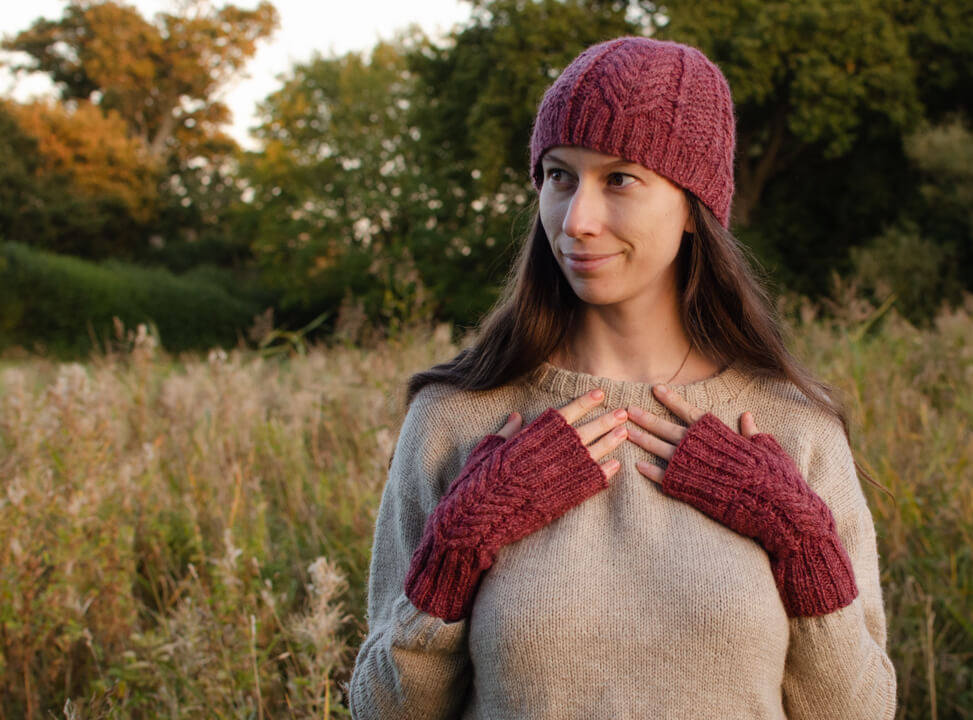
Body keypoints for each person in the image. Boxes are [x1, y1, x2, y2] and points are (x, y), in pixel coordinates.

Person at [349, 36, 896, 719]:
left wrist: (801, 546)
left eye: (620, 179)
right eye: (558, 176)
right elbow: (381, 710)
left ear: (693, 206)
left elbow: (862, 711)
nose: (576, 219)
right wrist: (455, 554)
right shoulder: (457, 420)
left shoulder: (794, 431)